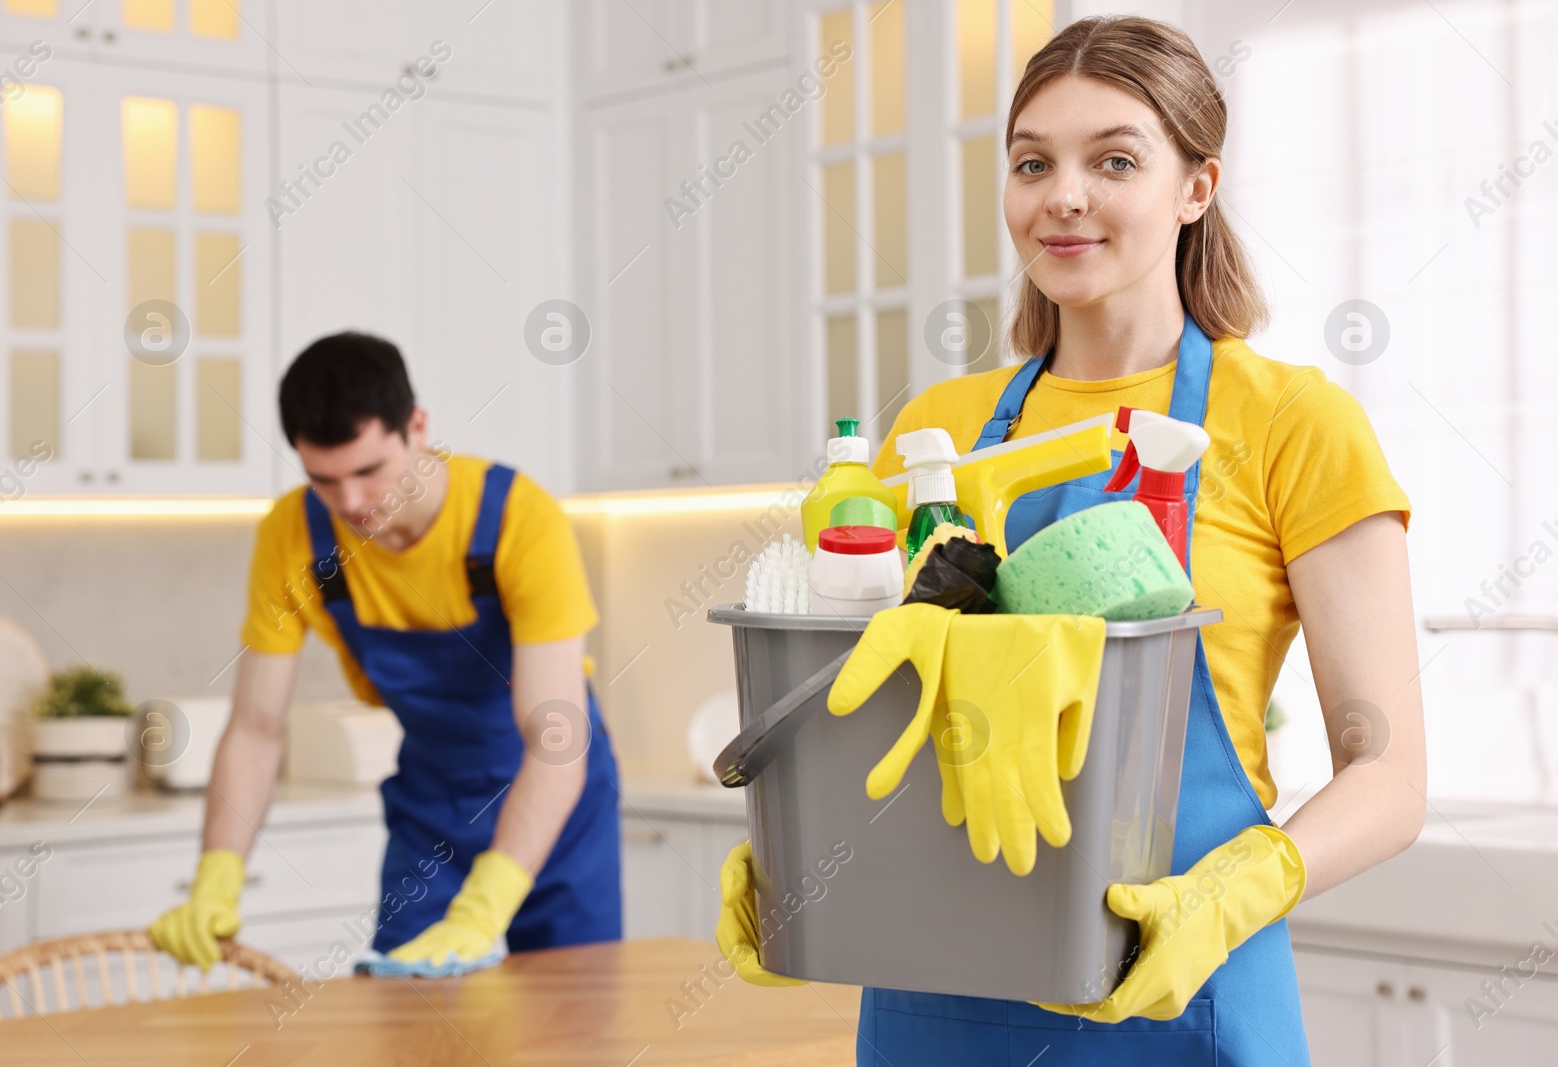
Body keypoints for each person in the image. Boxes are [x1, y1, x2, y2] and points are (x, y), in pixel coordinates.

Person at [718, 16, 1425, 1065]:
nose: (1063, 194)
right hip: (933, 993)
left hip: (1179, 984)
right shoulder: (942, 428)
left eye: (1115, 160)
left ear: (1195, 188)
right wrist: (802, 856)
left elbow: (1391, 772)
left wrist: (1239, 888)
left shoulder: (1289, 421)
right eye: (1032, 161)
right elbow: (874, 694)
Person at [150, 332, 620, 974]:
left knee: (577, 1014)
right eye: (323, 480)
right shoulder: (295, 538)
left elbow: (557, 736)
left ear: (417, 428)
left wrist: (486, 906)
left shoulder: (516, 518)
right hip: (433, 804)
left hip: (557, 798)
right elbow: (257, 729)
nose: (350, 504)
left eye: (369, 472)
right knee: (408, 1016)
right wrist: (218, 872)